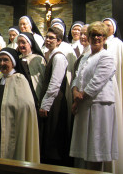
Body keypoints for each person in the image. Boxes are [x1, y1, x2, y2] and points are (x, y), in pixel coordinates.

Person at [70, 21, 118, 171]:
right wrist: (74, 91)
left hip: (99, 106)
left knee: (97, 147)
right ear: (89, 37)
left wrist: (78, 99)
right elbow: (77, 78)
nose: (97, 38)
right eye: (93, 35)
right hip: (85, 105)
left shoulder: (107, 57)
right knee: (86, 147)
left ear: (104, 38)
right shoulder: (85, 57)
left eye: (100, 35)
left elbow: (97, 81)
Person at [0, 47, 40, 163]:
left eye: (6, 60)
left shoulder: (19, 79)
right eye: (0, 60)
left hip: (13, 125)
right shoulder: (1, 78)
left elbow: (27, 106)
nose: (2, 63)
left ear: (13, 63)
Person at [39, 27, 70, 166]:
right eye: (47, 37)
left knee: (53, 134)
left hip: (55, 101)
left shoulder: (58, 57)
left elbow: (55, 83)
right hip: (51, 100)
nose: (48, 40)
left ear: (59, 41)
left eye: (52, 38)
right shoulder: (51, 55)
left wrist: (46, 104)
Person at [102, 18, 123, 174]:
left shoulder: (118, 44)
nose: (106, 27)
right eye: (103, 25)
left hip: (114, 87)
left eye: (108, 25)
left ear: (114, 29)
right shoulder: (97, 44)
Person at [17, 32, 46, 101]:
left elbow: (44, 78)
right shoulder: (17, 60)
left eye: (23, 42)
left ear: (30, 44)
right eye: (19, 43)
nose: (21, 45)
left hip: (36, 93)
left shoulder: (38, 59)